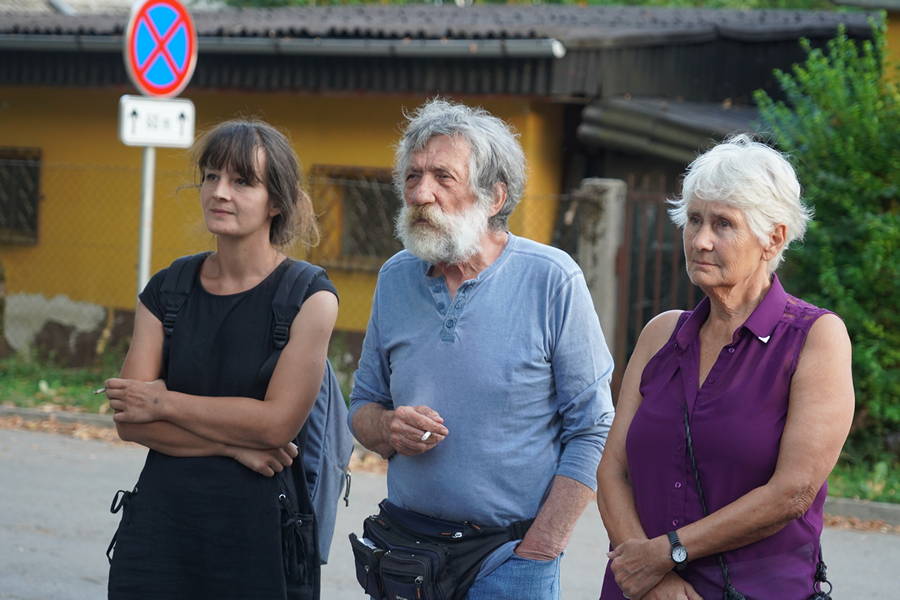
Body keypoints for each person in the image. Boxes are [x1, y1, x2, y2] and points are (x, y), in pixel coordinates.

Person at [349, 99, 615, 599]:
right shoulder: (395, 277)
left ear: (494, 196)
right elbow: (362, 405)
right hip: (407, 552)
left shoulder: (552, 279)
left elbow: (593, 427)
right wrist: (387, 427)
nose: (420, 194)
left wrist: (541, 546)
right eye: (412, 176)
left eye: (443, 177)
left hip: (508, 560)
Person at [596, 136, 854, 600]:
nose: (700, 240)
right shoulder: (661, 335)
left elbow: (792, 492)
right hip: (640, 589)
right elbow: (613, 470)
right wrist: (651, 575)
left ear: (773, 237)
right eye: (694, 219)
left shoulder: (815, 338)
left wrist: (667, 554)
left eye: (723, 224)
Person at [104, 119, 338, 599]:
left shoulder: (308, 297)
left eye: (242, 181)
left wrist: (164, 403)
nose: (219, 192)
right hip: (159, 532)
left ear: (276, 201)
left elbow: (275, 426)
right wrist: (234, 446)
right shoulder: (168, 289)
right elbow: (130, 420)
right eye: (211, 176)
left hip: (258, 535)